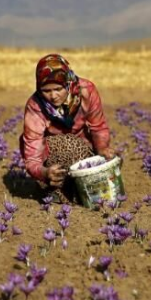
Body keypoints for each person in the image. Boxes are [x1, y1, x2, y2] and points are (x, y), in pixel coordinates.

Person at [20, 54, 115, 202]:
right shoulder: (35, 106)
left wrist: (102, 149)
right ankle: (58, 189)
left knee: (107, 164)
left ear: (68, 83)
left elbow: (98, 126)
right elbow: (32, 155)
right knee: (67, 143)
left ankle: (80, 188)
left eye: (58, 89)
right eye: (46, 90)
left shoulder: (86, 91)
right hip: (53, 158)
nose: (53, 96)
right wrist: (44, 173)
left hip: (84, 150)